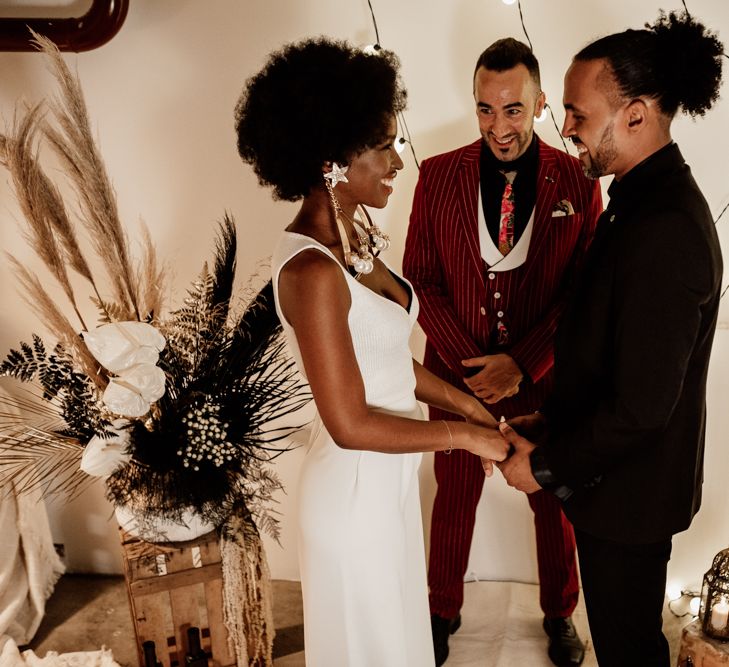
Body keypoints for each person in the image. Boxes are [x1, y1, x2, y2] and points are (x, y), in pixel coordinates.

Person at [234, 38, 509, 666]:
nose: (398, 160)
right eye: (382, 144)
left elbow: (383, 360)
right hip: (353, 502)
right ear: (332, 157)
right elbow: (351, 422)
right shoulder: (311, 271)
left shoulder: (352, 239)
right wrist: (463, 439)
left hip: (388, 494)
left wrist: (467, 406)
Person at [499, 11, 724, 667]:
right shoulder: (635, 201)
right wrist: (549, 421)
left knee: (629, 651)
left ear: (634, 114)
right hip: (609, 485)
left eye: (575, 110)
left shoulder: (667, 227)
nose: (563, 125)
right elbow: (614, 351)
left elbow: (641, 408)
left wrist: (541, 467)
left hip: (630, 498)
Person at [403, 38, 602, 667]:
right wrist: (471, 377)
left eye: (512, 110)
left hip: (547, 377)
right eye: (485, 110)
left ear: (540, 104)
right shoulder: (436, 175)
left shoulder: (578, 179)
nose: (498, 126)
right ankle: (441, 610)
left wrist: (524, 363)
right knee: (454, 492)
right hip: (454, 378)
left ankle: (559, 612)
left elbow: (584, 287)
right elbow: (420, 281)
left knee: (553, 500)